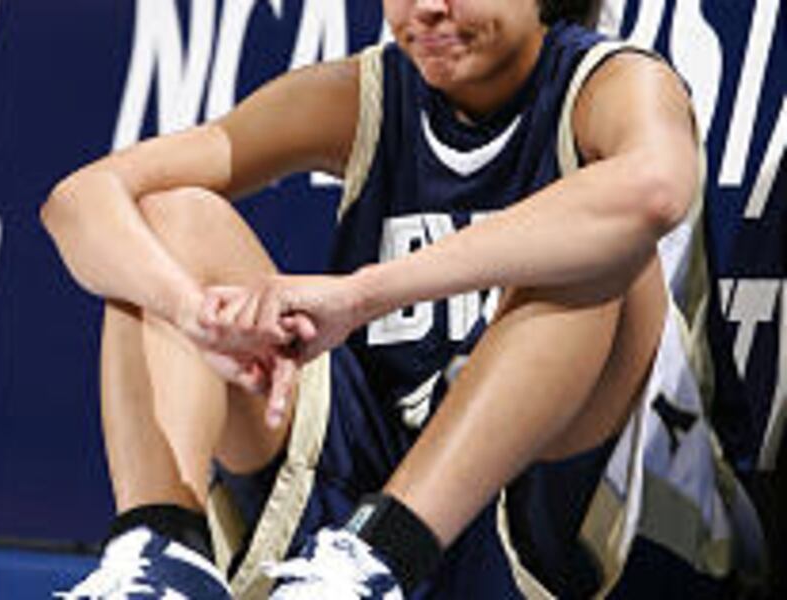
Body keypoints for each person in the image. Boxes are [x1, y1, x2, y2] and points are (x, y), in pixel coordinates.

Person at [43, 0, 763, 598]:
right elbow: (80, 199)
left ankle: (382, 557)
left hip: (575, 522)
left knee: (596, 250)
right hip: (361, 510)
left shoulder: (613, 80)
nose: (427, 9)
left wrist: (362, 295)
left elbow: (653, 191)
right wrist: (192, 314)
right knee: (168, 219)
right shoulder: (365, 93)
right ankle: (162, 550)